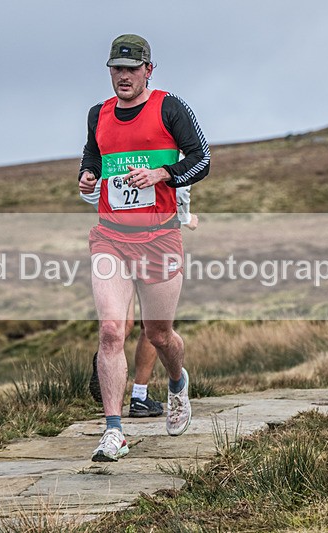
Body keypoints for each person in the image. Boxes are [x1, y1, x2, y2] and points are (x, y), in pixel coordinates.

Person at [78, 34, 210, 461]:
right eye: (117, 68)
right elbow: (93, 156)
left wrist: (164, 175)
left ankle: (176, 383)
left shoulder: (170, 107)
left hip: (160, 238)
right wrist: (87, 175)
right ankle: (114, 430)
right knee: (112, 331)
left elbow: (202, 159)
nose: (124, 76)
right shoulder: (98, 114)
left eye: (132, 69)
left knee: (158, 333)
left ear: (148, 70)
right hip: (110, 238)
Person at [81, 182, 199, 418]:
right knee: (151, 326)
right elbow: (181, 187)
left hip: (115, 233)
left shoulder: (109, 151)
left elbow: (90, 190)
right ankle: (139, 396)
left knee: (119, 326)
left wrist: (114, 215)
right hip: (154, 239)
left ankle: (107, 359)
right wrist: (185, 217)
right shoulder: (168, 148)